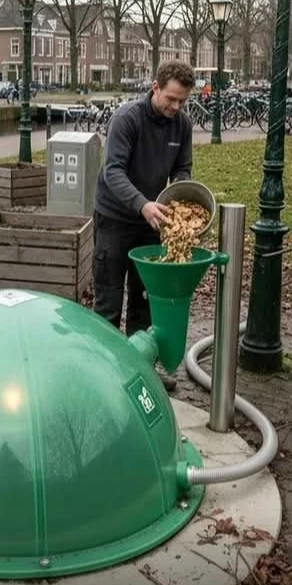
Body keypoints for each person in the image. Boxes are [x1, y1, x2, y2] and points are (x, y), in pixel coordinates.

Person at [93, 59, 196, 390]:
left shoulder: (182, 125)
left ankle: (140, 372)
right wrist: (141, 204)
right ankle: (104, 376)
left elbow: (183, 168)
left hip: (152, 221)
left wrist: (178, 193)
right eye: (171, 98)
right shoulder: (127, 119)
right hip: (114, 218)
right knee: (109, 299)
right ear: (155, 88)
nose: (176, 107)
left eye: (182, 101)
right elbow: (113, 171)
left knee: (144, 299)